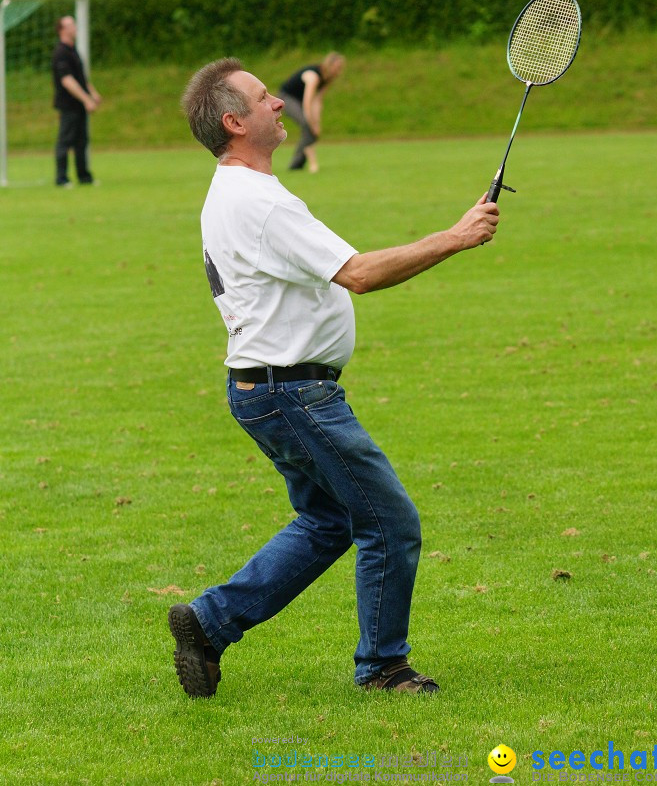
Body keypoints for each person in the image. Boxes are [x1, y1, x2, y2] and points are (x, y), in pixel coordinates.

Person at [169, 56, 499, 700]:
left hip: (266, 390)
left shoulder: (231, 192)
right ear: (235, 121)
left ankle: (209, 622)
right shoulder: (260, 201)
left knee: (327, 520)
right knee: (390, 521)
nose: (281, 104)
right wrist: (455, 237)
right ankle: (382, 667)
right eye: (265, 99)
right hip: (291, 392)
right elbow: (361, 272)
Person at [51, 15, 101, 186]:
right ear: (62, 30)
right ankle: (61, 178)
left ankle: (84, 177)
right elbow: (67, 81)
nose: (75, 27)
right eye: (70, 24)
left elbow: (80, 78)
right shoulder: (61, 53)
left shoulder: (73, 50)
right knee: (65, 141)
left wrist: (92, 92)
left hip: (79, 105)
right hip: (68, 105)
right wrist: (86, 99)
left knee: (82, 141)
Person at [278, 51, 345, 172]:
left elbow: (317, 102)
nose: (339, 71)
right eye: (337, 67)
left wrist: (317, 124)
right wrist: (311, 122)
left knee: (313, 132)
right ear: (330, 64)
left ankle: (296, 164)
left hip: (300, 101)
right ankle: (311, 163)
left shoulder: (327, 79)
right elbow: (308, 102)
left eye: (340, 68)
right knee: (307, 125)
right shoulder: (313, 76)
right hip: (286, 98)